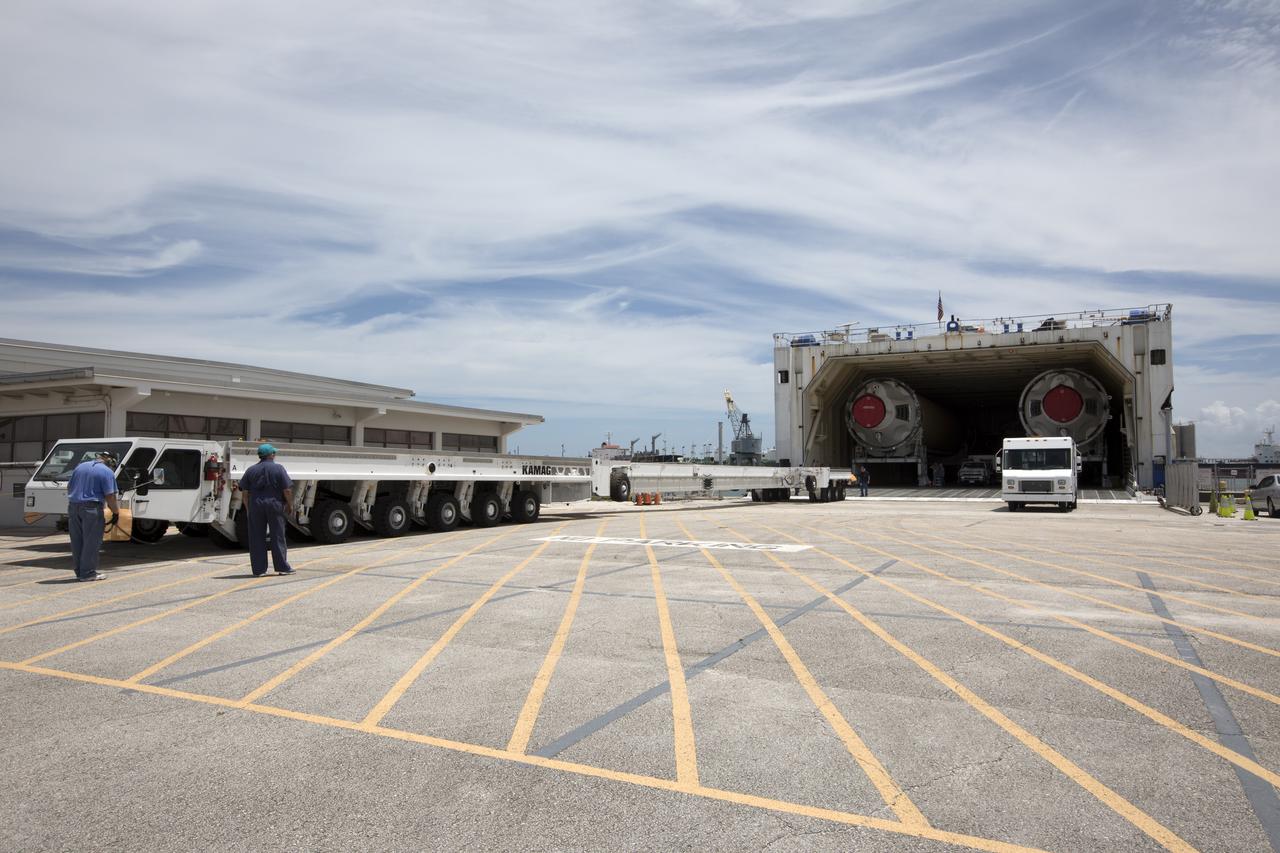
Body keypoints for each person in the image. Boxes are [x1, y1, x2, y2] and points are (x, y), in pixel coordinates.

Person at [239, 443, 295, 577]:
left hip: (256, 505)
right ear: (271, 455)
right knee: (277, 535)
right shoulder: (278, 468)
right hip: (274, 504)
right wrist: (290, 504)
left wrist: (248, 508)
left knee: (256, 537)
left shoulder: (251, 470)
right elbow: (287, 490)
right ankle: (282, 567)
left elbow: (244, 493)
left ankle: (259, 570)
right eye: (274, 453)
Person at [66, 450, 121, 581]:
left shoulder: (80, 467)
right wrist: (116, 512)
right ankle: (88, 573)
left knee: (77, 541)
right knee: (91, 542)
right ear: (111, 461)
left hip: (73, 507)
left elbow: (69, 487)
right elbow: (110, 496)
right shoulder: (107, 472)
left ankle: (80, 572)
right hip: (91, 508)